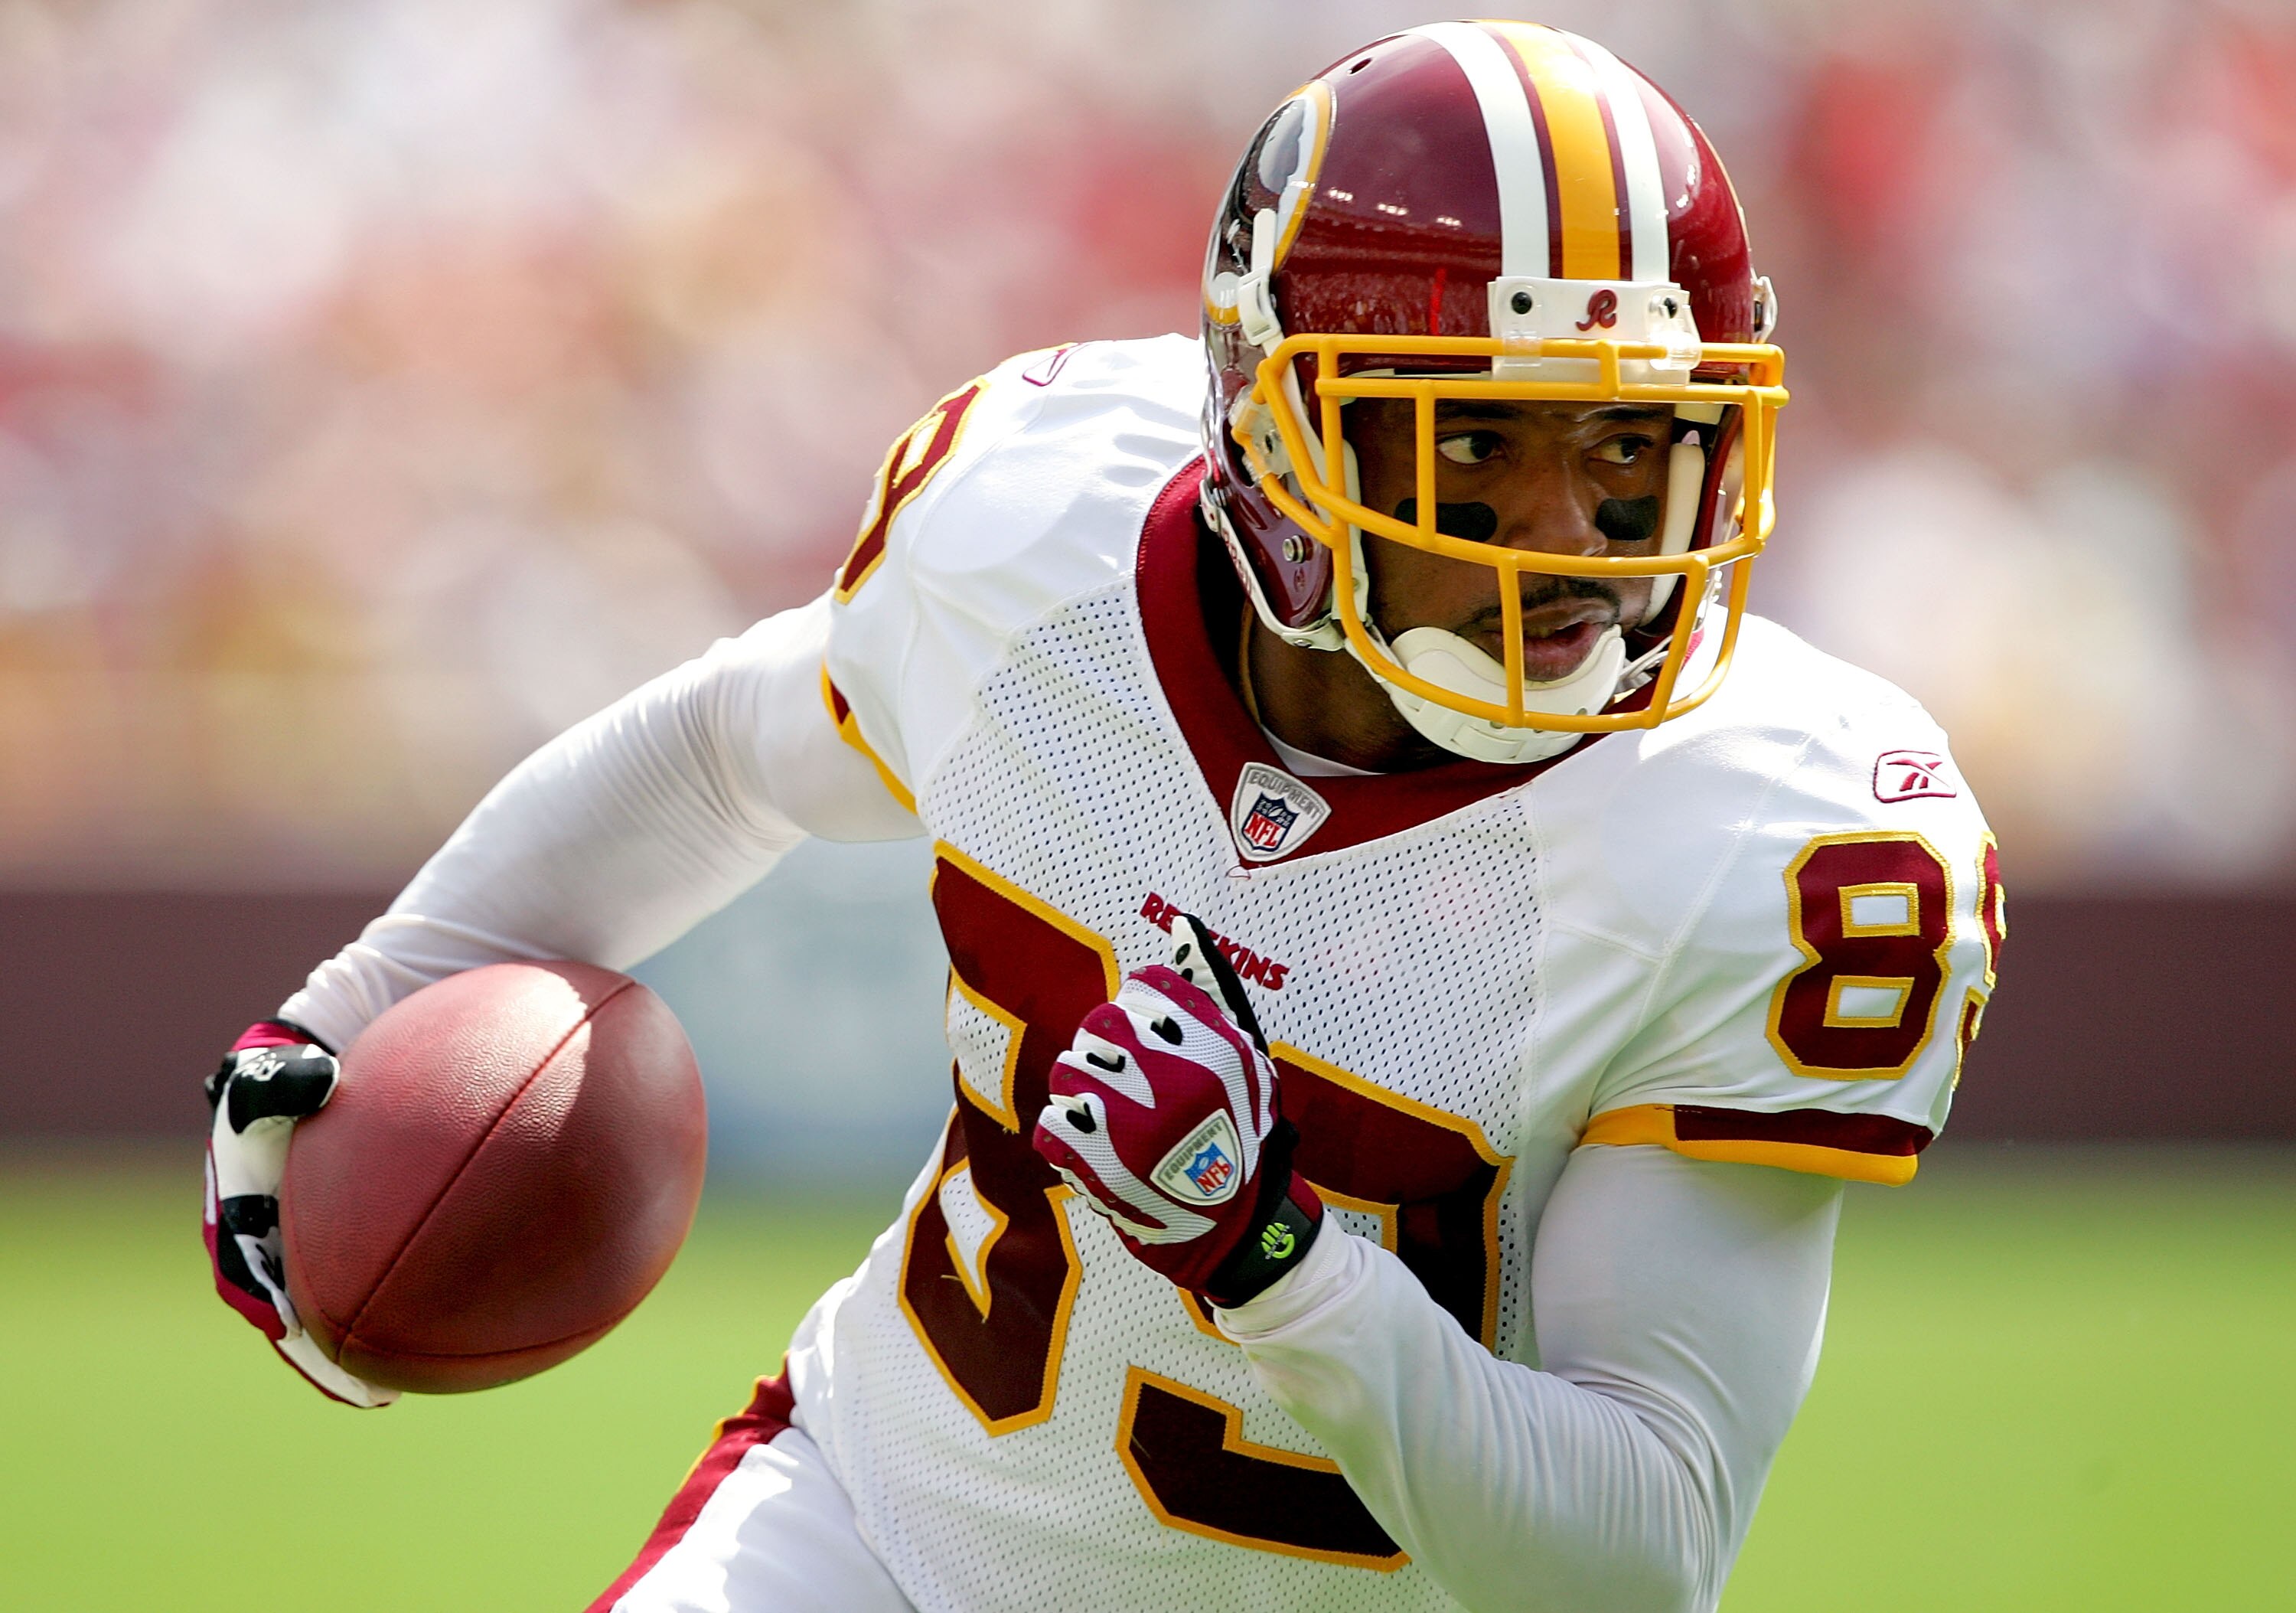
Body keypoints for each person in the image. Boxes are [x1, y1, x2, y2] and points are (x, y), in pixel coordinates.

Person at [201, 20, 2006, 1613]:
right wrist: (350, 1016)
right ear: (1276, 429)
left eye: (1627, 451)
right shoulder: (1035, 530)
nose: (1564, 545)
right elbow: (725, 749)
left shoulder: (1781, 829)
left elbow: (1640, 1556)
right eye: (1473, 445)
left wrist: (1266, 1252)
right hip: (893, 1534)